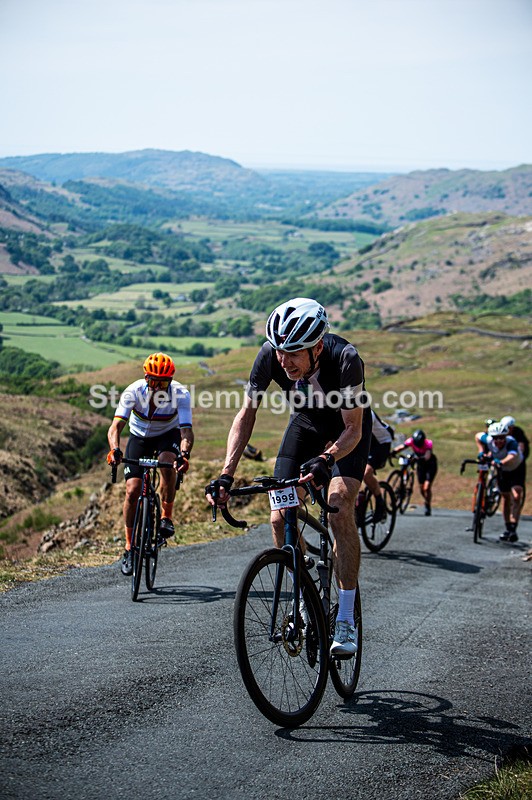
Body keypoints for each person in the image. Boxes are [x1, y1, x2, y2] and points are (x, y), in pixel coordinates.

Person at [206, 297, 372, 658]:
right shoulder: (269, 356)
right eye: (280, 351)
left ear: (317, 346)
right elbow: (246, 414)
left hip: (345, 431)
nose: (284, 361)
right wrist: (225, 475)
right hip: (305, 425)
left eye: (294, 353)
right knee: (280, 514)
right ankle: (301, 588)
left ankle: (345, 618)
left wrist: (327, 459)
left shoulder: (346, 359)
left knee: (339, 505)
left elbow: (353, 428)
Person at [107, 352, 193, 575]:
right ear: (145, 378)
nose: (156, 386)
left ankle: (166, 517)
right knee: (132, 489)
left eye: (162, 382)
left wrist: (184, 454)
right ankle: (128, 546)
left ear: (170, 381)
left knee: (167, 464)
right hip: (139, 437)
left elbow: (186, 431)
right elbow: (115, 427)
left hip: (167, 435)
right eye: (152, 380)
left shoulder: (180, 394)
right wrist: (115, 449)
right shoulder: (133, 391)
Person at [475, 420, 524, 542]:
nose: (498, 441)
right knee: (506, 497)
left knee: (516, 495)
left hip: (515, 468)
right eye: (496, 438)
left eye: (501, 438)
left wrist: (500, 462)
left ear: (506, 436)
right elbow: (477, 436)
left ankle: (513, 527)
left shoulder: (511, 442)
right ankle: (508, 528)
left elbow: (512, 455)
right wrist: (481, 451)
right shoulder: (488, 440)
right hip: (502, 470)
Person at [392, 429, 437, 516]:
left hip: (430, 465)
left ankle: (427, 505)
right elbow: (402, 447)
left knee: (426, 488)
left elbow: (427, 456)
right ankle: (426, 500)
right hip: (420, 466)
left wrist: (418, 458)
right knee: (421, 488)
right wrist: (393, 452)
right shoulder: (411, 441)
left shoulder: (428, 443)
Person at [363, 410, 394, 522]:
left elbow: (360, 437)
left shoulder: (367, 414)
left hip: (381, 445)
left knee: (366, 473)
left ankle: (380, 503)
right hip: (367, 443)